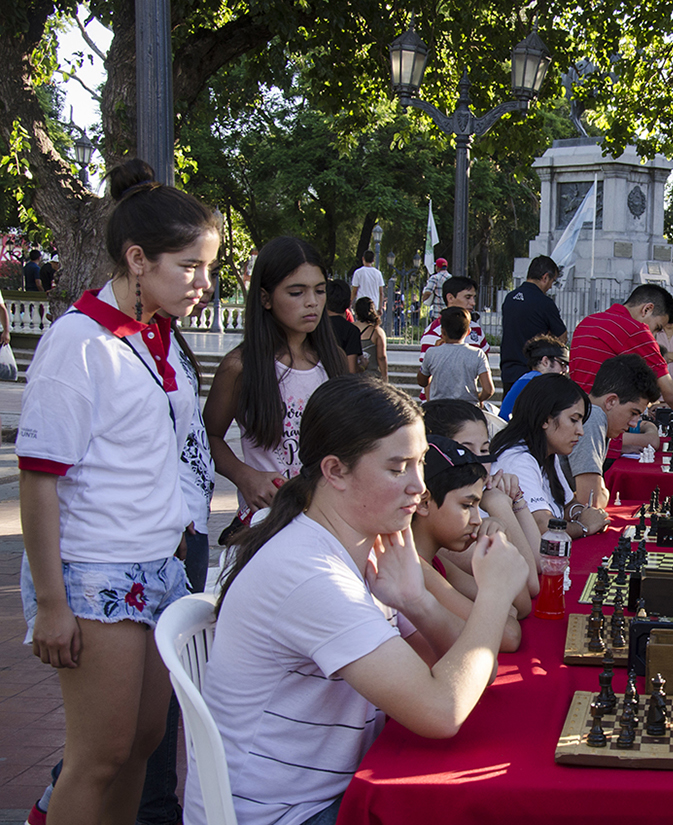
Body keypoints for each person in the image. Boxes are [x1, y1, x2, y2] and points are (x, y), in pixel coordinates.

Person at [192, 377, 526, 825]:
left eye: (420, 463)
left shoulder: (370, 547)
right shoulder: (310, 572)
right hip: (286, 814)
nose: (418, 487)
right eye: (397, 468)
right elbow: (442, 709)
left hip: (331, 791)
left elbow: (455, 675)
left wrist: (416, 602)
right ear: (335, 471)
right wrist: (496, 593)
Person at [18, 159, 220, 824]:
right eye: (189, 265)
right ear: (138, 258)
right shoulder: (79, 341)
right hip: (95, 568)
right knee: (97, 755)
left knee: (142, 742)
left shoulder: (155, 335)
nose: (203, 283)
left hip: (160, 562)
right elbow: (39, 477)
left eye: (208, 266)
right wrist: (51, 602)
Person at [204, 236, 349, 520]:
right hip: (268, 518)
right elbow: (207, 436)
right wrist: (245, 476)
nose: (312, 303)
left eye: (320, 291)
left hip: (328, 516)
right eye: (296, 293)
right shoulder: (240, 366)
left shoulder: (336, 361)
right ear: (265, 298)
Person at [570, 284, 673, 446]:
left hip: (575, 426)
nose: (654, 335)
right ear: (647, 309)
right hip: (602, 432)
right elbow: (671, 393)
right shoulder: (636, 330)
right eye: (657, 327)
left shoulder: (587, 322)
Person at [422, 399, 542, 605]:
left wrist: (517, 499)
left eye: (485, 450)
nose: (480, 462)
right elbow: (529, 583)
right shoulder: (445, 524)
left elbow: (537, 563)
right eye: (466, 450)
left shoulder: (478, 500)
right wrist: (499, 505)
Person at [490, 373, 610, 540]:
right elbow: (542, 525)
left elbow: (568, 503)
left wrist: (582, 513)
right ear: (545, 419)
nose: (580, 431)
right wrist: (584, 526)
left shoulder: (548, 453)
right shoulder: (518, 459)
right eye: (573, 420)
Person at [568, 354, 661, 508]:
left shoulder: (588, 412)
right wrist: (603, 492)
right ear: (611, 401)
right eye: (633, 412)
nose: (633, 424)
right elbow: (592, 503)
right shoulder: (593, 417)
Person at [500, 255, 567, 392]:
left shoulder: (510, 298)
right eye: (551, 282)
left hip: (509, 371)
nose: (549, 287)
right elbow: (562, 338)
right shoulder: (544, 303)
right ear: (545, 277)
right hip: (532, 373)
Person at [418, 307, 493, 404]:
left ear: (442, 331)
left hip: (439, 410)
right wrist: (477, 398)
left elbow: (422, 381)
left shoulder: (432, 353)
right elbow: (488, 390)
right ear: (468, 332)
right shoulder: (478, 354)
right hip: (467, 410)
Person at [500, 335, 569, 420]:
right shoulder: (543, 383)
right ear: (545, 361)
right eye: (562, 364)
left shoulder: (526, 379)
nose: (565, 370)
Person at [325, 280, 362, 373]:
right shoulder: (351, 331)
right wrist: (363, 367)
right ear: (349, 304)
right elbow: (351, 369)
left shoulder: (315, 327)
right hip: (339, 383)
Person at [354, 297, 388, 381]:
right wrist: (385, 378)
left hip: (353, 377)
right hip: (372, 378)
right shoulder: (376, 332)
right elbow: (381, 357)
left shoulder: (349, 328)